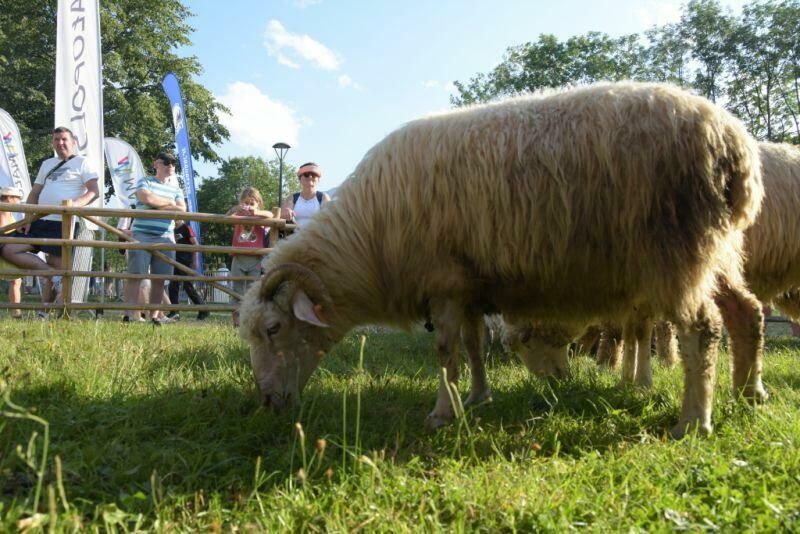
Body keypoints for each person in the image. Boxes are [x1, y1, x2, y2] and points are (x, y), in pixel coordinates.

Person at [1, 127, 100, 317]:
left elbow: (93, 191)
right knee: (9, 249)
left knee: (57, 264)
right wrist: (28, 218)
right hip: (39, 220)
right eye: (56, 139)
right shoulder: (47, 163)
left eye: (64, 139)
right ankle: (54, 277)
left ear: (73, 142)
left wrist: (73, 207)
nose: (60, 143)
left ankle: (45, 314)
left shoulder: (83, 163)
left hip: (62, 222)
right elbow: (34, 193)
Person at [124, 152, 185, 325]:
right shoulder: (145, 181)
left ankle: (154, 316)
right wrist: (170, 204)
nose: (170, 164)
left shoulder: (177, 189)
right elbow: (145, 197)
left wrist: (155, 204)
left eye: (173, 162)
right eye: (166, 161)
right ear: (155, 164)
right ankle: (129, 315)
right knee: (135, 275)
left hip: (165, 237)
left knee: (160, 279)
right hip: (141, 235)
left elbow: (182, 209)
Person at [228, 186, 274, 326]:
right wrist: (237, 209)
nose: (248, 206)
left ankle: (248, 320)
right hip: (238, 258)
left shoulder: (260, 216)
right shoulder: (238, 215)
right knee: (236, 289)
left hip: (255, 258)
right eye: (245, 203)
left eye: (252, 203)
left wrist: (257, 211)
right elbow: (228, 217)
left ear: (258, 203)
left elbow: (271, 215)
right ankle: (236, 321)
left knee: (252, 289)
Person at [167, 220, 209, 320]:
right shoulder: (171, 229)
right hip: (175, 261)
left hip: (186, 262)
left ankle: (203, 309)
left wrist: (195, 261)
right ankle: (174, 312)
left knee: (188, 287)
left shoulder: (186, 227)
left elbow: (195, 244)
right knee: (172, 287)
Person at [280, 162, 331, 229]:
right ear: (300, 179)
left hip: (316, 234)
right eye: (306, 174)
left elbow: (328, 215)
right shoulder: (292, 197)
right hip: (295, 234)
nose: (310, 177)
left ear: (318, 179)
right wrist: (287, 211)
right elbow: (285, 210)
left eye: (314, 174)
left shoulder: (323, 197)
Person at [0, 186, 25, 318]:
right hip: (4, 249)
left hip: (6, 248)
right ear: (9, 198)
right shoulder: (3, 211)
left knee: (16, 280)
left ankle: (16, 312)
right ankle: (16, 312)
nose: (19, 201)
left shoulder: (8, 212)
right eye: (17, 198)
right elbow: (3, 230)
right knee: (15, 280)